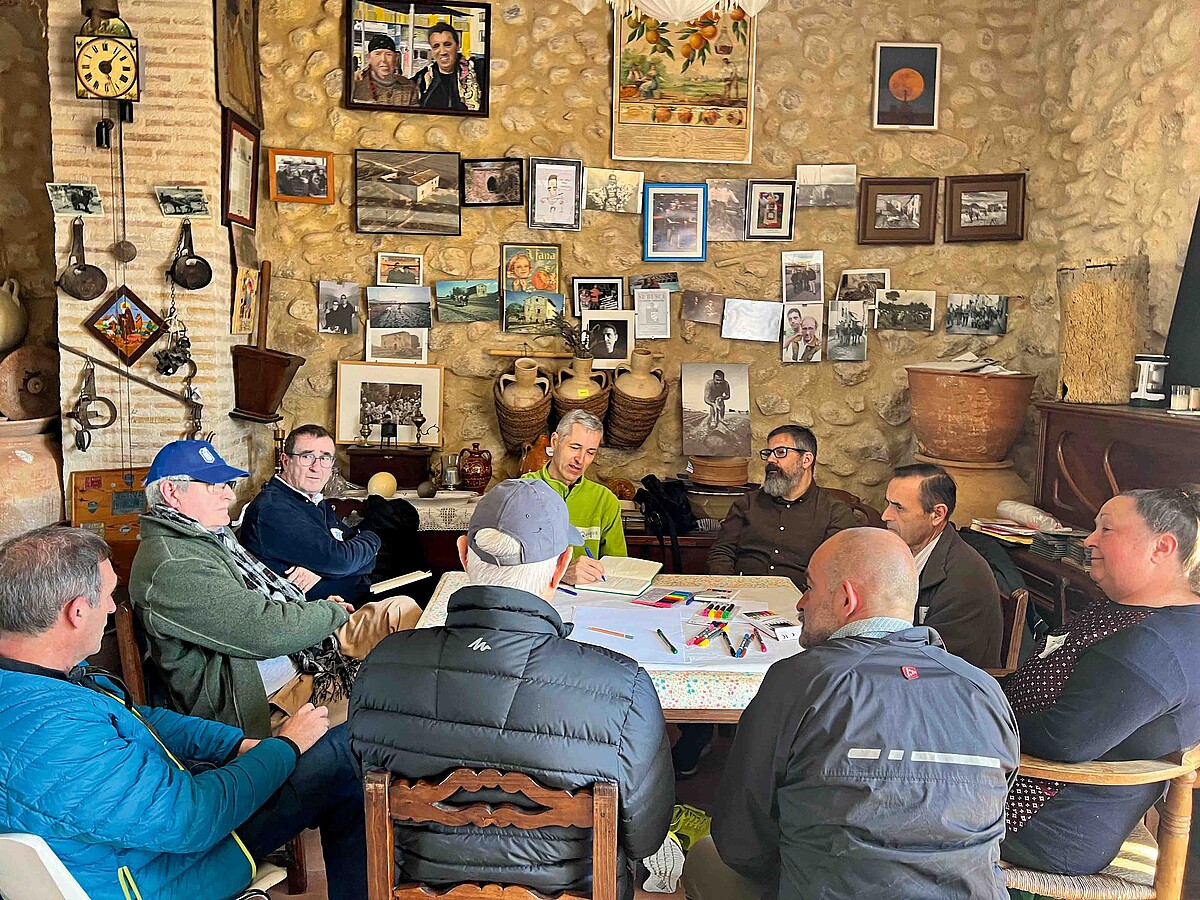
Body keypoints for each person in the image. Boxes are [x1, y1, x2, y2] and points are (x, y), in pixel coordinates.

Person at [0, 526, 368, 900]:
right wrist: (286, 746)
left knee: (335, 760)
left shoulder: (32, 682)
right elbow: (193, 820)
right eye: (109, 596)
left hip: (146, 837)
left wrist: (236, 745)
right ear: (76, 612)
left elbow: (139, 718)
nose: (113, 608)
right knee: (346, 753)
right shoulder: (55, 732)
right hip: (168, 873)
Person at [349, 479, 673, 900]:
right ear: (561, 567)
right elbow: (645, 838)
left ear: (464, 554)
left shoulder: (382, 666)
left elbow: (367, 795)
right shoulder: (622, 688)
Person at [685, 528, 1019, 900]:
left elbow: (739, 841)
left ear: (847, 599)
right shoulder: (984, 690)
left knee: (705, 858)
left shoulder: (800, 680)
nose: (801, 602)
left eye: (809, 587)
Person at [128, 439, 420, 738]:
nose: (229, 495)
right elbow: (264, 631)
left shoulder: (210, 535)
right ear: (171, 492)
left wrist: (314, 610)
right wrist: (327, 612)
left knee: (401, 611)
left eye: (227, 484)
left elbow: (270, 594)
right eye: (215, 485)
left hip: (302, 653)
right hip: (269, 698)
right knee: (394, 693)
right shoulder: (174, 565)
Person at [1000, 487, 1200, 877]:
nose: (1088, 540)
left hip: (1040, 821)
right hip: (1017, 778)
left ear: (1162, 547)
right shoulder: (1138, 611)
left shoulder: (1154, 646)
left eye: (1106, 529)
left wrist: (960, 717)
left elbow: (1064, 741)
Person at [241, 424, 381, 604]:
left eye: (325, 458)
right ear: (285, 461)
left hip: (353, 600)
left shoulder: (311, 499)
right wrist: (373, 540)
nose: (317, 467)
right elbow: (341, 560)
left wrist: (321, 571)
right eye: (307, 457)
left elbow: (360, 560)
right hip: (321, 617)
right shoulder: (273, 510)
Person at [881, 463, 1003, 668]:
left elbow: (933, 663)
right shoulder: (898, 552)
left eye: (898, 507)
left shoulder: (966, 578)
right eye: (888, 504)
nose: (885, 515)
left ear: (937, 515)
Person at [707, 425, 857, 589]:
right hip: (742, 595)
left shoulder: (835, 512)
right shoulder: (747, 503)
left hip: (798, 602)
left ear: (806, 460)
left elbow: (834, 570)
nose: (771, 459)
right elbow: (722, 552)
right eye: (768, 453)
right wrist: (726, 589)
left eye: (780, 452)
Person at [523, 409, 626, 585]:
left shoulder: (605, 500)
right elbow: (504, 566)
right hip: (533, 597)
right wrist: (559, 573)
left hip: (588, 602)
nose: (581, 459)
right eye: (575, 447)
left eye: (590, 452)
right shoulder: (520, 492)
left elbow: (618, 568)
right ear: (555, 442)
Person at [414, 22, 485, 112]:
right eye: (436, 46)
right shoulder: (422, 78)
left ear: (458, 46)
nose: (442, 51)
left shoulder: (479, 70)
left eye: (447, 45)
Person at [351, 33, 419, 106]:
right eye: (377, 54)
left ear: (396, 58)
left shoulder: (409, 87)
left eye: (388, 54)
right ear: (369, 58)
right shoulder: (356, 86)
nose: (383, 60)